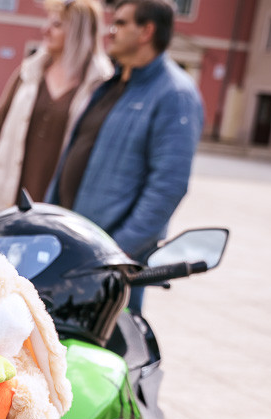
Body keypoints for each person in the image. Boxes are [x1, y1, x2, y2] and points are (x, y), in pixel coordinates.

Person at [46, 0, 202, 315]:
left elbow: (168, 186)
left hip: (109, 264)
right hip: (73, 247)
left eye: (120, 23)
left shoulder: (174, 94)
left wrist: (117, 253)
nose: (111, 30)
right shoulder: (111, 85)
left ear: (146, 31)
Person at [0, 0, 112, 215]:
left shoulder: (100, 84)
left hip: (62, 208)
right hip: (12, 200)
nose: (45, 30)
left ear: (78, 32)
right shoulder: (29, 72)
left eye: (56, 25)